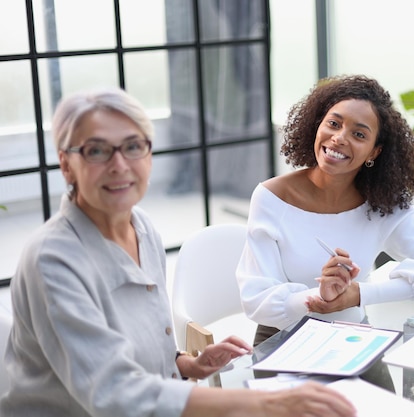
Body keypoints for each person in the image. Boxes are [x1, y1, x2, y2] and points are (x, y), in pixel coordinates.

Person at [0, 88, 356, 417]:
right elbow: (113, 392)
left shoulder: (141, 228)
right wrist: (264, 401)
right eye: (96, 150)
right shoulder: (52, 260)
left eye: (133, 146)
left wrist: (185, 364)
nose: (119, 165)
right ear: (66, 164)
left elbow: (137, 344)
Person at [236, 75, 414, 390]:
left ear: (374, 152)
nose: (340, 138)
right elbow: (257, 299)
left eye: (359, 134)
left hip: (353, 336)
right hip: (284, 340)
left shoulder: (384, 204)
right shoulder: (272, 198)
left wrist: (358, 294)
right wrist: (319, 297)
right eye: (333, 123)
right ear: (317, 125)